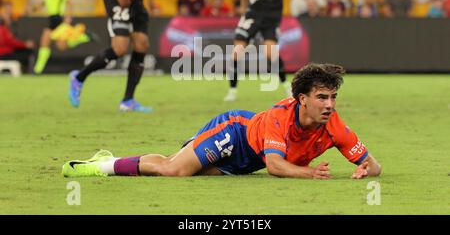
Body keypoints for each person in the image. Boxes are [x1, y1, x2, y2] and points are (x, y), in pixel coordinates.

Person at [62, 63, 382, 180]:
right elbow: (275, 165)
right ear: (303, 100)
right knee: (173, 170)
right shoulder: (279, 117)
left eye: (332, 98)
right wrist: (310, 173)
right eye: (322, 98)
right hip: (235, 132)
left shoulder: (335, 126)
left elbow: (374, 165)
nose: (329, 105)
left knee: (190, 170)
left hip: (247, 162)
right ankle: (102, 165)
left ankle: (190, 150)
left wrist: (364, 168)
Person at [32, 0, 90, 74]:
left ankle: (79, 37)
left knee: (60, 46)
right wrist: (36, 7)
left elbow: (70, 3)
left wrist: (68, 17)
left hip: (59, 18)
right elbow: (44, 2)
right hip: (51, 18)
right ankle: (38, 68)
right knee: (48, 42)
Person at [0, 2, 35, 73]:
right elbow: (9, 41)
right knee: (28, 53)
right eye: (6, 12)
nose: (8, 14)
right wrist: (25, 45)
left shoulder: (13, 24)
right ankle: (30, 72)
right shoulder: (2, 28)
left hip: (8, 51)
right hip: (4, 54)